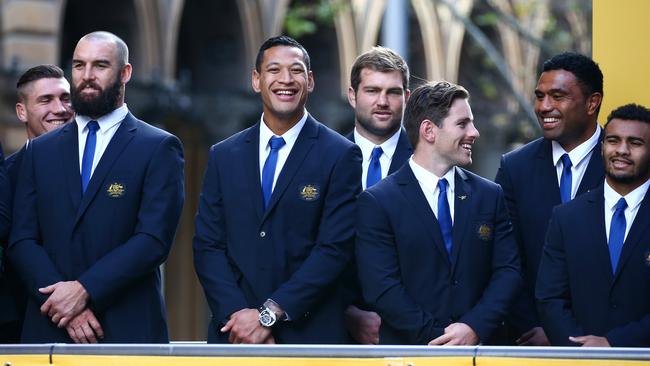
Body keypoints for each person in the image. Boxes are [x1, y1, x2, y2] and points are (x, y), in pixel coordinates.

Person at [8, 31, 184, 343]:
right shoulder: (40, 152)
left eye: (100, 66)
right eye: (78, 66)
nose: (87, 76)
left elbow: (152, 240)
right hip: (49, 329)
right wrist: (65, 305)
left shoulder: (158, 147)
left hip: (127, 331)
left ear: (125, 72)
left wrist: (85, 290)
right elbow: (22, 240)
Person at [193, 35, 362, 344]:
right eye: (274, 70)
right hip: (234, 335)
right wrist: (237, 316)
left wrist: (269, 314)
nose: (286, 80)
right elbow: (208, 245)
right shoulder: (224, 154)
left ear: (310, 81)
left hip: (308, 337)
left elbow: (333, 249)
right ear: (257, 80)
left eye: (296, 70)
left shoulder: (340, 154)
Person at [356, 81, 521, 345]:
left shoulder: (490, 195)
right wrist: (441, 341)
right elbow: (382, 288)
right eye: (463, 123)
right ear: (429, 131)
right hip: (411, 353)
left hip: (481, 351)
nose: (474, 132)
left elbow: (508, 271)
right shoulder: (378, 201)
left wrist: (474, 327)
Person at [495, 52, 605, 345]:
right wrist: (536, 328)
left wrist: (589, 337)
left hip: (607, 344)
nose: (544, 107)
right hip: (533, 340)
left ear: (592, 102)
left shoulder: (625, 163)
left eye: (557, 96)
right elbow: (506, 258)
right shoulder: (514, 168)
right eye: (540, 96)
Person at [537, 103, 650, 347]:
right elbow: (550, 298)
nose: (622, 150)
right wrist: (582, 350)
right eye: (613, 140)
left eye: (635, 143)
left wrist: (614, 343)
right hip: (578, 359)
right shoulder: (566, 217)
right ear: (602, 147)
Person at [0, 64, 74, 343]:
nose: (60, 109)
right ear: (21, 112)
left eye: (65, 98)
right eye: (46, 100)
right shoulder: (7, 175)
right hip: (22, 327)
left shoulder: (96, 167)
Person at [343, 46, 412, 344]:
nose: (382, 102)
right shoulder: (321, 160)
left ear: (407, 98)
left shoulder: (430, 164)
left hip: (411, 333)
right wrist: (345, 313)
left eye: (393, 92)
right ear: (352, 95)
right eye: (372, 90)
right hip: (333, 332)